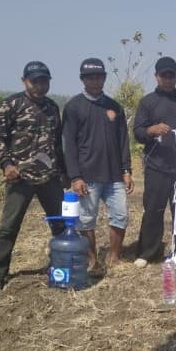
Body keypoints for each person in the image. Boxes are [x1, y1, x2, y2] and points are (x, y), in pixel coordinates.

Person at [0, 61, 67, 292]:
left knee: (61, 225)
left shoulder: (52, 107)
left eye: (45, 81)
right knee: (9, 227)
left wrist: (64, 172)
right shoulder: (11, 104)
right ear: (24, 81)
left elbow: (56, 143)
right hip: (20, 177)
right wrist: (6, 164)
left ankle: (61, 265)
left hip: (49, 177)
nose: (40, 86)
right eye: (35, 81)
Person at [62, 58, 133, 273]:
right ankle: (92, 260)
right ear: (83, 79)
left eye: (99, 76)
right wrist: (75, 176)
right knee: (86, 220)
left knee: (120, 215)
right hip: (87, 175)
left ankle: (114, 257)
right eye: (90, 77)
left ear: (104, 78)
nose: (95, 80)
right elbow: (69, 144)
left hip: (114, 176)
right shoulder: (74, 106)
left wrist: (127, 170)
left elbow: (123, 141)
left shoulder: (114, 107)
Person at [132, 57, 176, 268]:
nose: (168, 79)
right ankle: (148, 252)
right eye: (164, 75)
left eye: (171, 76)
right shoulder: (148, 102)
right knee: (153, 210)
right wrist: (152, 130)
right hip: (156, 165)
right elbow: (137, 132)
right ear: (156, 77)